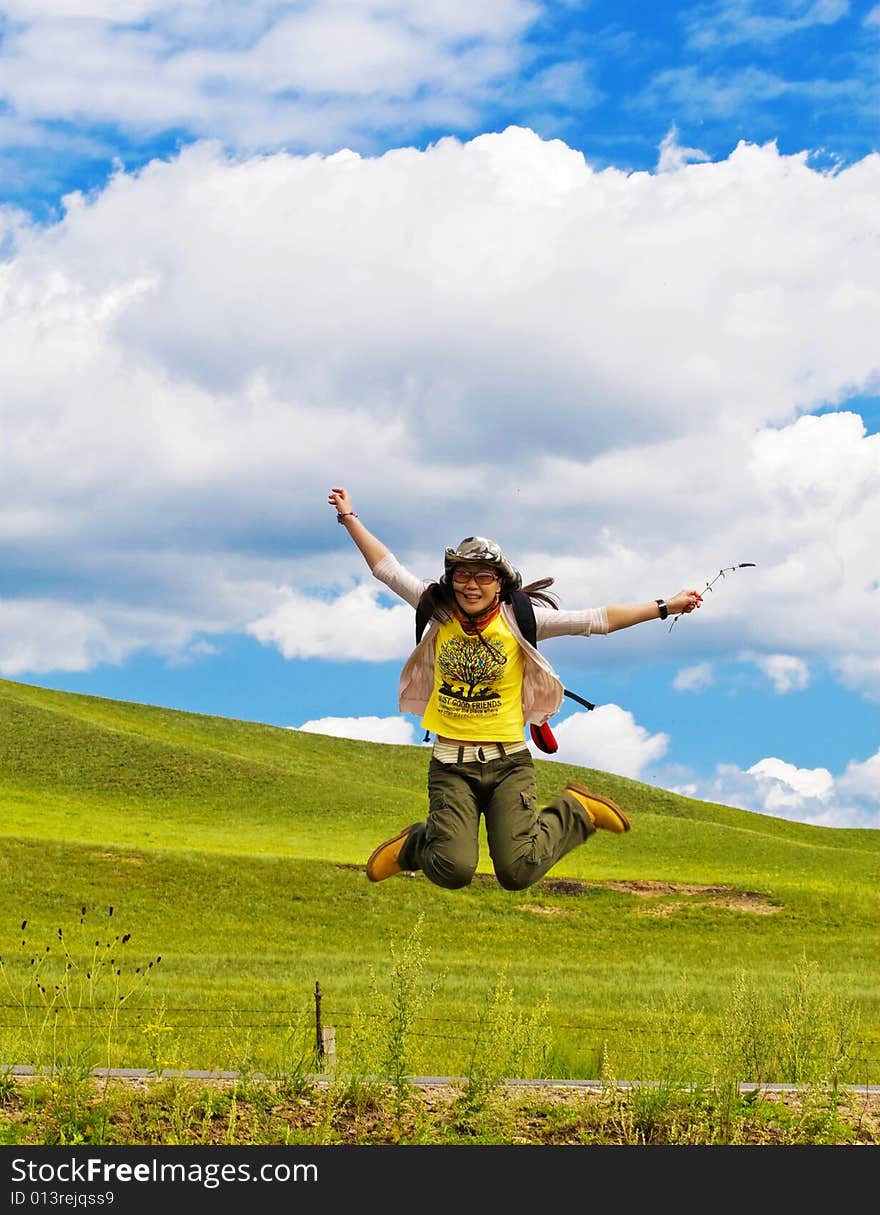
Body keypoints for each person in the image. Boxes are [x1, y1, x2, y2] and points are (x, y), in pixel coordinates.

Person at [328, 486, 703, 892]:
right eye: (462, 576)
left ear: (499, 583)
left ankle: (577, 811)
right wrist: (349, 517)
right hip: (451, 765)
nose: (471, 585)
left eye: (483, 577)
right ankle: (414, 847)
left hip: (509, 763)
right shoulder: (436, 610)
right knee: (454, 869)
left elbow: (598, 620)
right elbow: (386, 568)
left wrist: (665, 606)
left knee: (517, 872)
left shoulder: (520, 620)